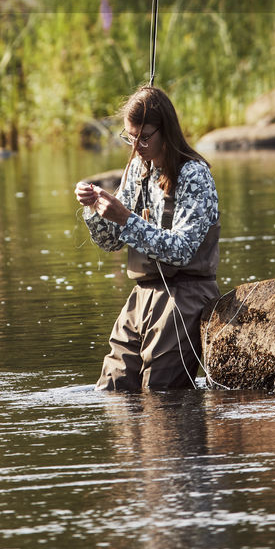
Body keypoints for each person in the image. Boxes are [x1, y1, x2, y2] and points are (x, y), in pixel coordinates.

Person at [75, 85, 220, 391]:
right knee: (112, 388)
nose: (136, 145)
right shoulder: (138, 172)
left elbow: (182, 251)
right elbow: (111, 242)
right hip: (141, 296)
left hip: (185, 296)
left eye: (144, 137)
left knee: (159, 394)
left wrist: (125, 218)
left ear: (165, 131)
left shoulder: (194, 175)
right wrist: (94, 209)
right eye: (130, 137)